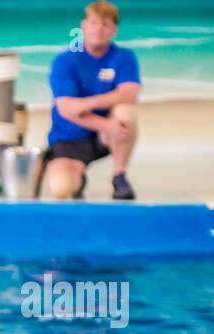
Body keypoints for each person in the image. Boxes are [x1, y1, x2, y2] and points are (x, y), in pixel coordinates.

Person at [42, 1, 140, 200]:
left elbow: (130, 93)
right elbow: (65, 109)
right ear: (84, 25)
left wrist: (87, 104)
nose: (99, 29)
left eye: (105, 24)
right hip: (70, 136)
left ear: (114, 29)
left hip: (106, 137)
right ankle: (78, 178)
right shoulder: (65, 60)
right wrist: (104, 124)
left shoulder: (124, 57)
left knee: (126, 112)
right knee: (61, 189)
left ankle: (119, 176)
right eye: (94, 23)